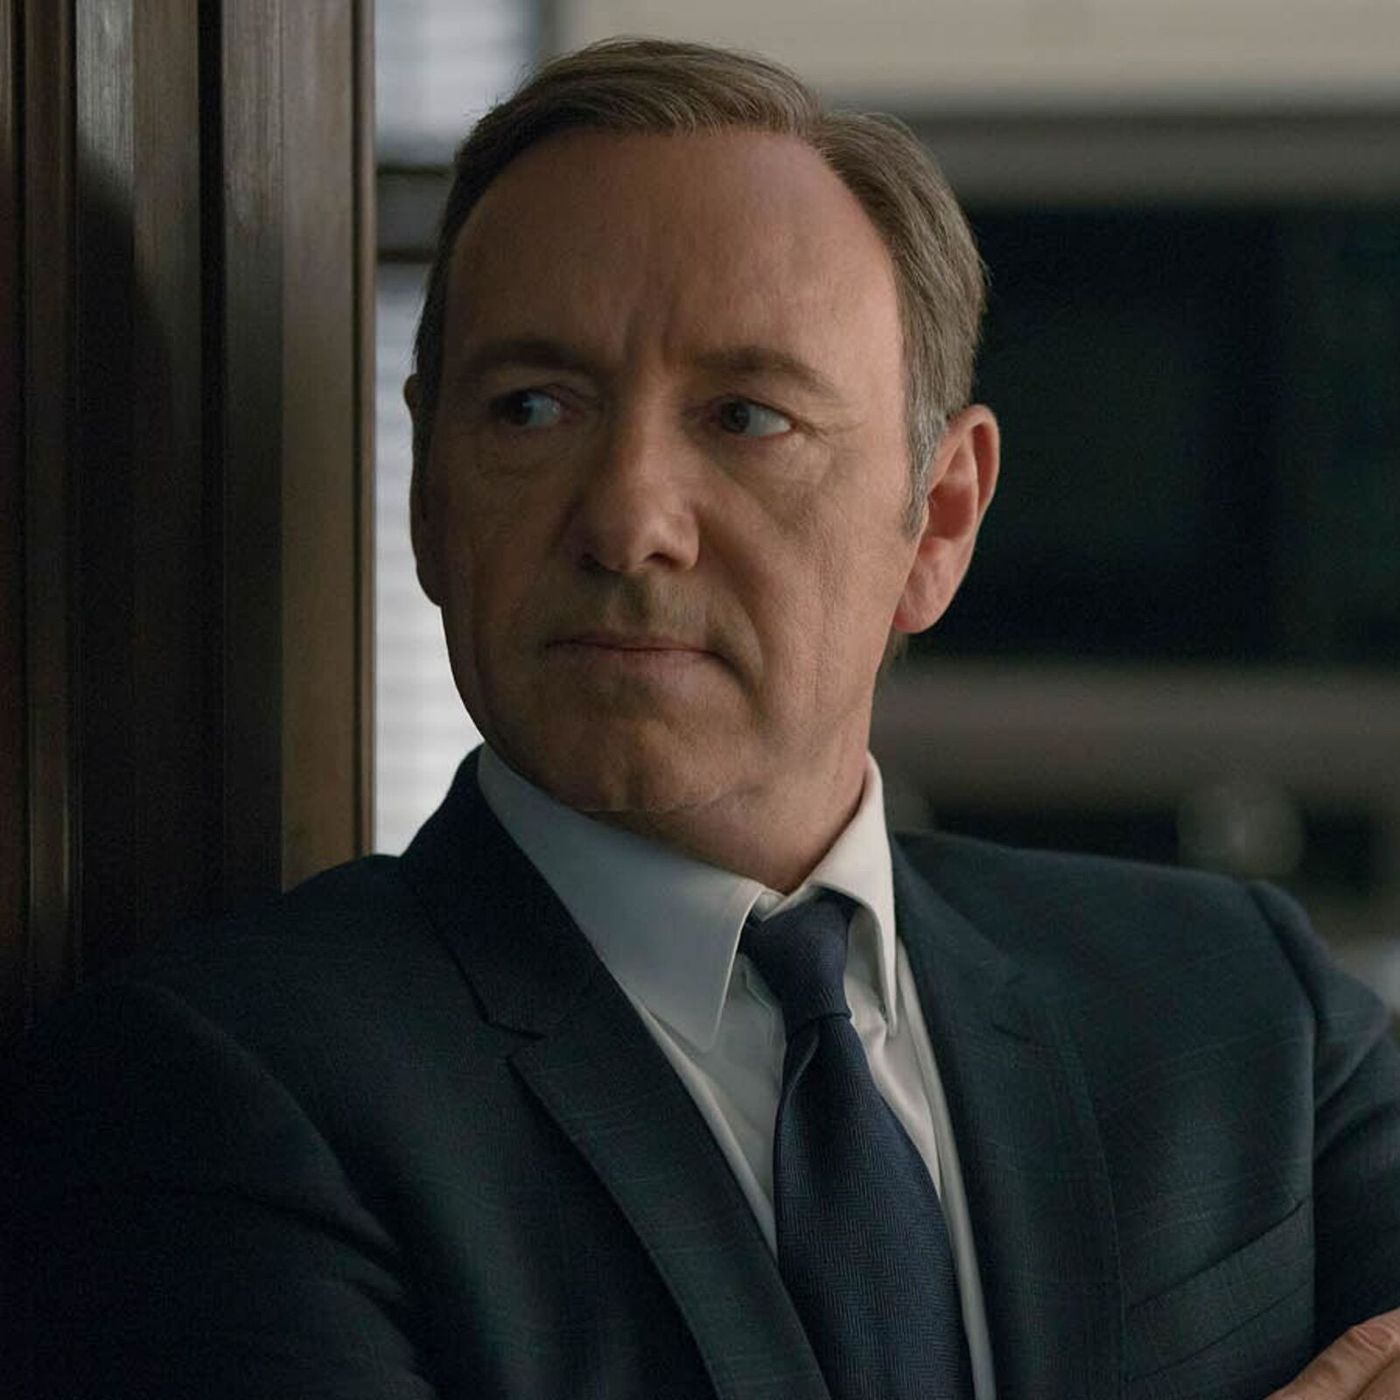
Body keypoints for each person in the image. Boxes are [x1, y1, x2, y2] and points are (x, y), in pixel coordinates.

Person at [4, 37, 1399, 1400]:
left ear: (939, 519)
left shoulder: (1249, 1016)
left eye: (744, 417)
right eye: (531, 408)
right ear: (430, 495)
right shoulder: (212, 1096)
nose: (628, 522)